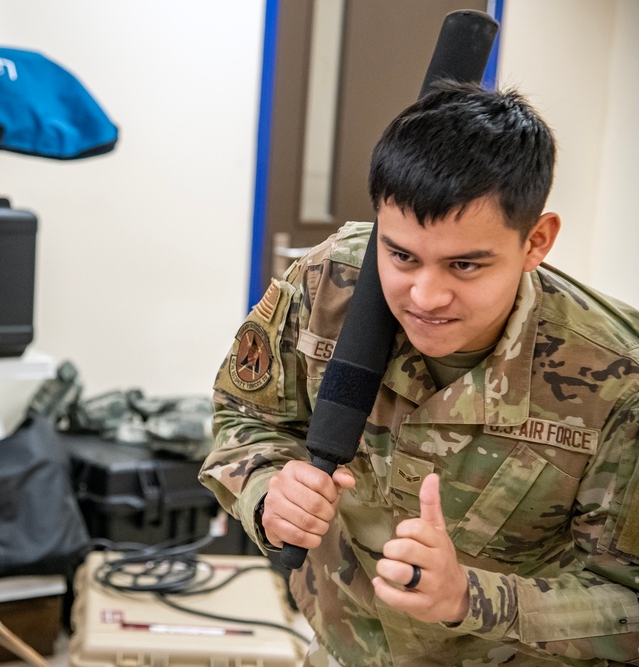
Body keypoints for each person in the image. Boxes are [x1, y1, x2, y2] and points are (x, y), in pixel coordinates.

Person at [199, 81, 639, 666]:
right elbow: (246, 414)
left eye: (464, 265)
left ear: (537, 240)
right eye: (402, 255)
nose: (426, 296)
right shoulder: (327, 286)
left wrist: (471, 598)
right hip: (346, 644)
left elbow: (627, 602)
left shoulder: (616, 379)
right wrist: (268, 491)